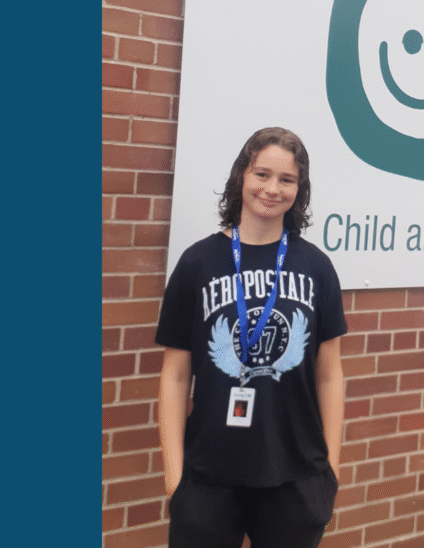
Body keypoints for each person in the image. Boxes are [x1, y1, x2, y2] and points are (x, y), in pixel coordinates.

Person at [156, 127, 347, 548]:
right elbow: (174, 376)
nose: (271, 189)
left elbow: (330, 375)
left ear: (300, 188)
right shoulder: (198, 263)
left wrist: (329, 471)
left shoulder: (316, 268)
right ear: (241, 175)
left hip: (296, 477)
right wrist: (175, 476)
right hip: (208, 477)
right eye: (262, 174)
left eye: (287, 179)